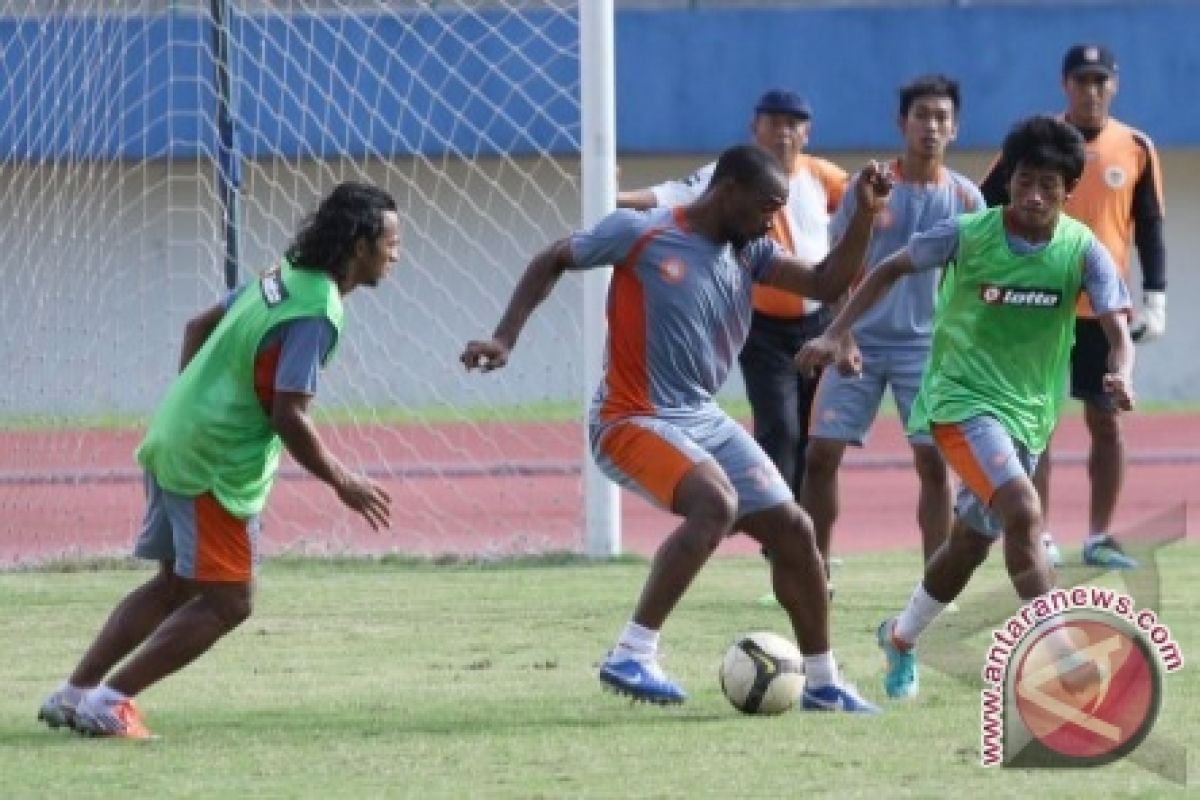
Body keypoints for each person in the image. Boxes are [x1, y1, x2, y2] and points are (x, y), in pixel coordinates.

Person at [463, 144, 892, 711]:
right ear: (728, 190)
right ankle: (631, 653)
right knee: (714, 503)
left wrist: (863, 213)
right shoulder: (640, 232)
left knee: (795, 528)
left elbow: (824, 279)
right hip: (630, 417)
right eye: (767, 207)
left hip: (701, 418)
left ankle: (822, 680)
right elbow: (552, 258)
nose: (772, 221)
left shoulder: (751, 252)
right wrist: (504, 337)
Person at [37, 182, 397, 738]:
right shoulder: (318, 309)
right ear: (359, 245)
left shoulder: (282, 278)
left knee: (175, 585)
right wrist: (343, 481)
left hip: (173, 438)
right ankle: (109, 701)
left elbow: (197, 327)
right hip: (211, 465)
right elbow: (289, 416)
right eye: (390, 242)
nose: (396, 254)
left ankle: (75, 692)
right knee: (230, 601)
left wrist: (196, 405)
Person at [798, 116, 1134, 700]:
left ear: (1067, 191)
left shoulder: (1083, 252)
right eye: (1024, 181)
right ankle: (1058, 653)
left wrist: (1121, 370)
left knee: (970, 546)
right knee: (1025, 511)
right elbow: (888, 268)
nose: (1033, 195)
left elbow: (1117, 327)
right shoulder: (968, 232)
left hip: (1027, 414)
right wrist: (836, 333)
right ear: (1010, 181)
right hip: (959, 401)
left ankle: (900, 638)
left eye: (1048, 186)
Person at [979, 44, 1166, 570]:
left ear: (1114, 84)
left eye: (1100, 80)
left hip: (1099, 311)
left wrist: (1155, 297)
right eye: (1081, 81)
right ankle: (1037, 531)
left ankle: (1100, 534)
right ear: (1065, 85)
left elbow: (1149, 225)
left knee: (1106, 421)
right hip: (1034, 305)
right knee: (1033, 422)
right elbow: (984, 203)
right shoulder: (1035, 141)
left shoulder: (1136, 146)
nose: (1091, 90)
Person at [618, 89, 848, 504]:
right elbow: (668, 194)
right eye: (774, 122)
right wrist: (609, 195)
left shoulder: (824, 177)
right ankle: (777, 520)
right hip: (762, 326)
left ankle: (803, 531)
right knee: (779, 426)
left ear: (807, 133)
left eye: (793, 124)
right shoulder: (728, 176)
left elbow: (856, 226)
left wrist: (846, 326)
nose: (783, 133)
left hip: (818, 322)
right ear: (754, 127)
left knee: (815, 437)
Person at [802, 75, 982, 583]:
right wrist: (843, 334)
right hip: (856, 338)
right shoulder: (870, 186)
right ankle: (814, 572)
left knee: (931, 463)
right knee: (821, 454)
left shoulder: (967, 201)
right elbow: (833, 266)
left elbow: (977, 282)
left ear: (955, 129)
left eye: (941, 118)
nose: (931, 126)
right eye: (921, 115)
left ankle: (936, 582)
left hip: (927, 349)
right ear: (901, 122)